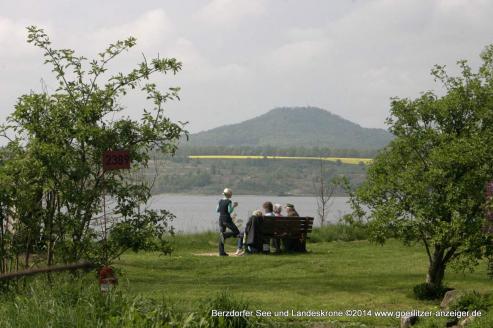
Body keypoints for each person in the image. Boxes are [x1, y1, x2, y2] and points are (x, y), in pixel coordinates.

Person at [217, 188, 239, 256]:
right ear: (229, 194)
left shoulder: (220, 201)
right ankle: (225, 234)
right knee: (236, 232)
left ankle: (221, 252)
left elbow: (217, 210)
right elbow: (230, 211)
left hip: (221, 219)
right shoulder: (229, 201)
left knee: (221, 236)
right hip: (227, 219)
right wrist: (234, 206)